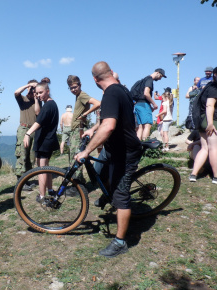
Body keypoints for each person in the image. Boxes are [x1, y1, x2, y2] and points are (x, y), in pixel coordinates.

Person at [75, 61, 142, 258]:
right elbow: (108, 120)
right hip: (115, 149)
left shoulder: (112, 93)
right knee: (99, 173)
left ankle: (120, 242)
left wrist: (87, 150)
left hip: (126, 152)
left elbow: (109, 126)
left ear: (95, 80)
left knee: (121, 197)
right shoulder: (119, 89)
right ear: (111, 73)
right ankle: (107, 195)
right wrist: (92, 129)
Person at [23, 81, 59, 203]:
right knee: (46, 168)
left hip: (44, 141)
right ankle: (50, 190)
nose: (38, 95)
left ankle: (42, 196)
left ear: (47, 91)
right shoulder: (50, 104)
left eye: (41, 92)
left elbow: (38, 122)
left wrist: (27, 134)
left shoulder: (48, 106)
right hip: (48, 141)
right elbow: (39, 114)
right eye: (37, 93)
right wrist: (37, 100)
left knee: (41, 169)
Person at [67, 75, 100, 185]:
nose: (73, 90)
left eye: (75, 87)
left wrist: (84, 114)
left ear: (80, 85)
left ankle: (77, 184)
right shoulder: (78, 96)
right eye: (70, 88)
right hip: (76, 129)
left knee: (76, 156)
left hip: (78, 129)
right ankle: (81, 181)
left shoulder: (82, 95)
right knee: (75, 155)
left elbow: (97, 103)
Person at [189, 67, 217, 184]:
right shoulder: (214, 88)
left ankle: (193, 174)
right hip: (210, 120)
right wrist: (210, 123)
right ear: (215, 74)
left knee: (205, 148)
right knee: (213, 148)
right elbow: (210, 105)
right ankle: (216, 176)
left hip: (201, 120)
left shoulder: (208, 86)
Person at [14, 79, 41, 190]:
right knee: (22, 154)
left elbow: (38, 112)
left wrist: (36, 97)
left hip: (33, 130)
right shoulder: (23, 100)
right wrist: (28, 86)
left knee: (31, 156)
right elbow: (16, 92)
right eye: (31, 89)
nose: (32, 91)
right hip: (23, 129)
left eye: (34, 90)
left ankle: (26, 179)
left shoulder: (38, 101)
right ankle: (20, 181)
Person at [133, 68, 166, 140]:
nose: (160, 78)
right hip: (144, 105)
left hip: (138, 105)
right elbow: (146, 93)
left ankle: (138, 146)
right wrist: (154, 104)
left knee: (140, 127)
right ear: (157, 73)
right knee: (147, 125)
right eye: (161, 76)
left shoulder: (143, 80)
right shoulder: (149, 80)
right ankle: (145, 145)